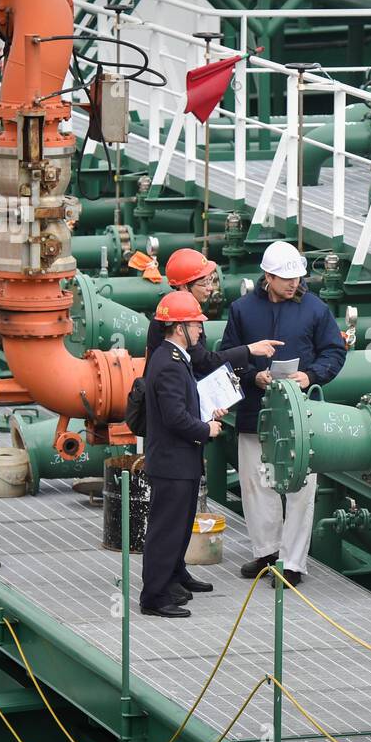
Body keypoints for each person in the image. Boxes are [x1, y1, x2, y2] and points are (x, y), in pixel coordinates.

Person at [219, 241, 346, 588]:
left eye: (297, 278)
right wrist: (252, 375)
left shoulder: (316, 310)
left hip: (300, 416)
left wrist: (311, 375)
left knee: (301, 489)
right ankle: (267, 553)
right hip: (254, 412)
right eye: (286, 278)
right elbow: (226, 356)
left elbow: (335, 351)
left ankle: (292, 564)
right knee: (255, 485)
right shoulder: (242, 310)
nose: (293, 284)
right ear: (268, 276)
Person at [139, 292, 225, 618]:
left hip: (180, 461)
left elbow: (179, 407)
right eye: (195, 324)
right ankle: (155, 596)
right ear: (178, 328)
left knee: (179, 524)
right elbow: (174, 418)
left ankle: (174, 578)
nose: (201, 330)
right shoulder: (170, 365)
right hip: (173, 462)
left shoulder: (172, 358)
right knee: (166, 529)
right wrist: (206, 430)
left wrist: (203, 415)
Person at [147, 247, 282, 369]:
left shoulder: (183, 310)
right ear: (184, 286)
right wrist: (249, 349)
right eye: (204, 283)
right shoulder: (177, 317)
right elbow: (203, 361)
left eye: (210, 280)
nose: (210, 288)